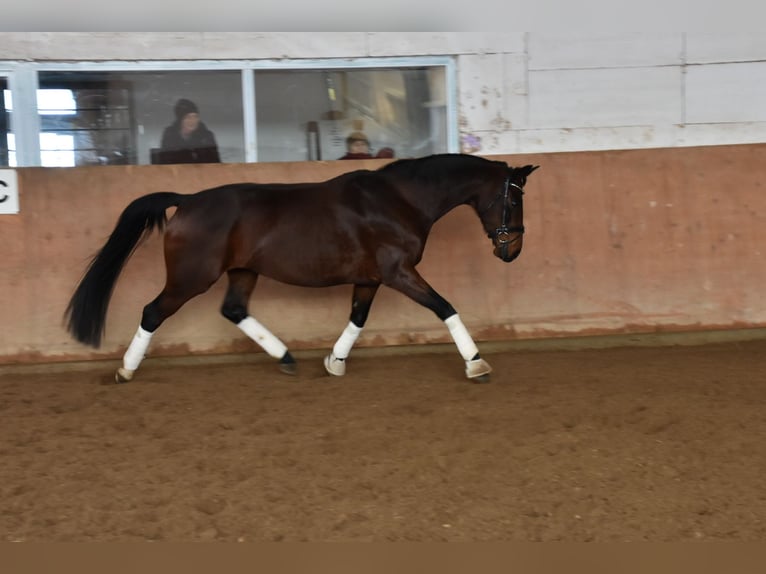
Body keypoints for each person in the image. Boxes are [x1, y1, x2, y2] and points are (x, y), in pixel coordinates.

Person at [156, 98, 220, 164]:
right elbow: (164, 163)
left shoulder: (207, 136)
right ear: (180, 119)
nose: (193, 121)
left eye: (195, 116)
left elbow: (215, 163)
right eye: (188, 117)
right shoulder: (169, 135)